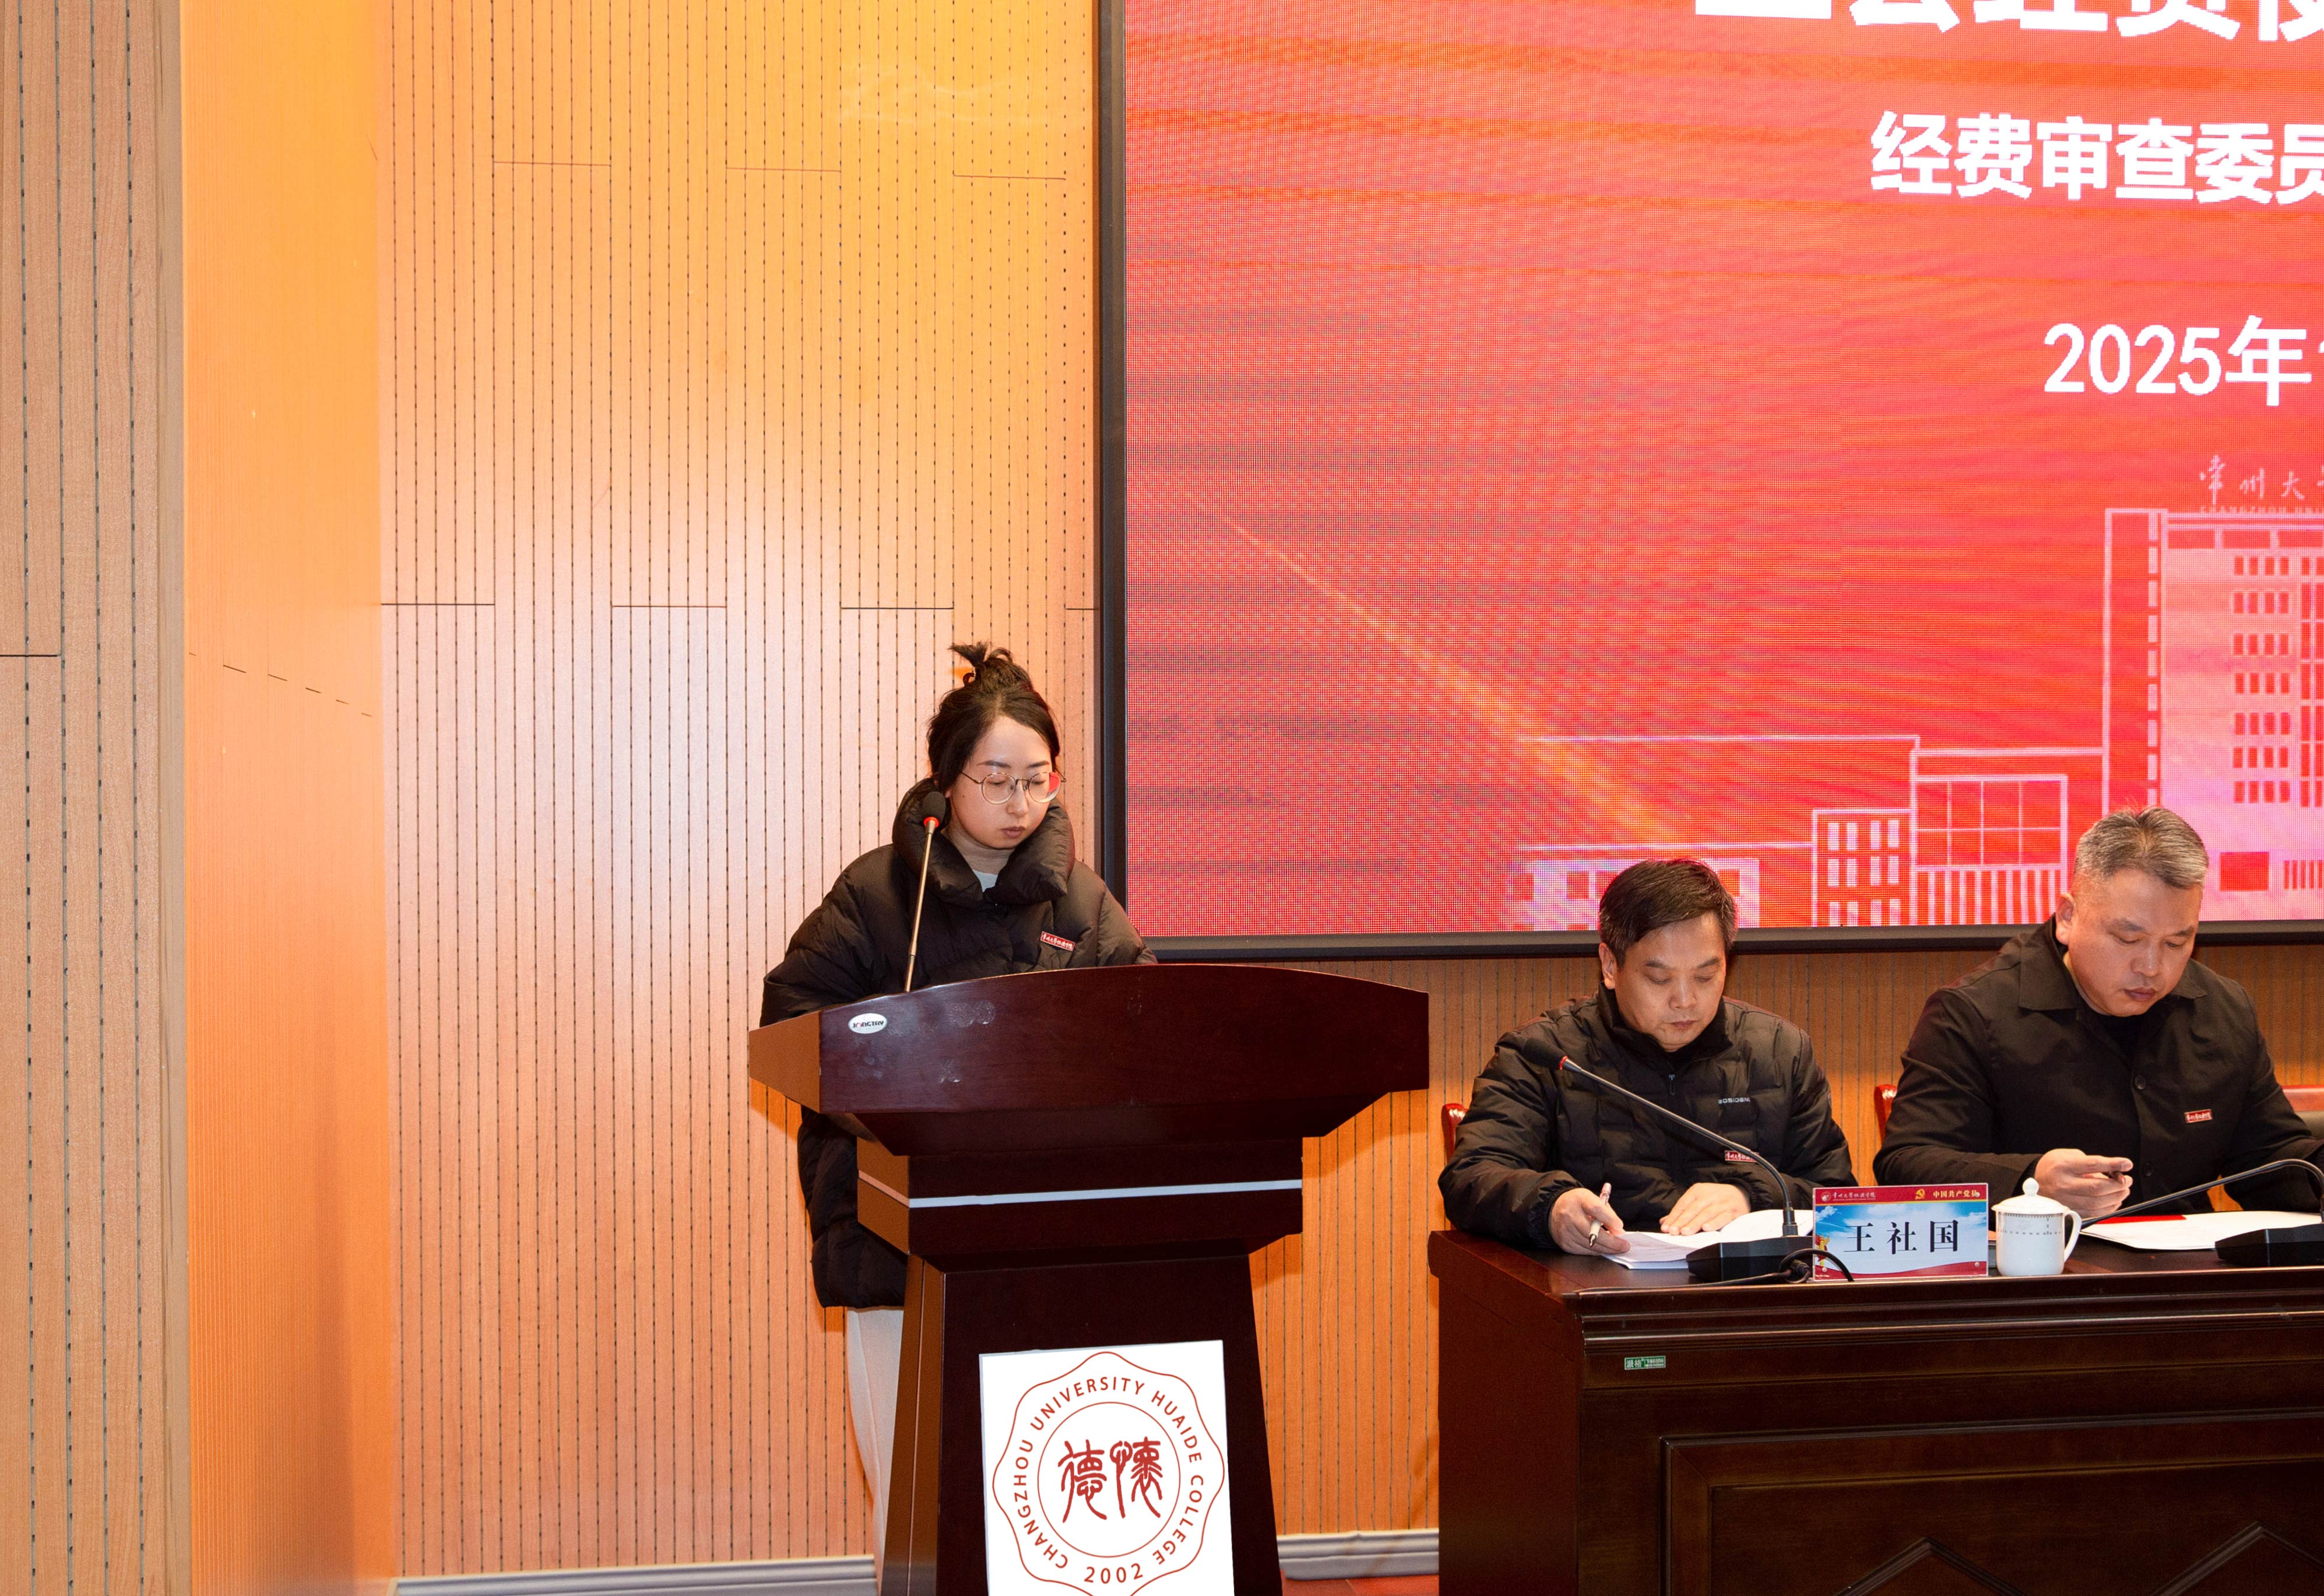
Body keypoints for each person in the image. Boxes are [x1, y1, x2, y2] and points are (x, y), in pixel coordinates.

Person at [759, 643, 1151, 1560]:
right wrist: (898, 1098)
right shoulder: (873, 896)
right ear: (945, 779)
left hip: (1045, 1237)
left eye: (1036, 780)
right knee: (916, 1490)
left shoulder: (1082, 902)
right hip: (893, 1231)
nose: (1019, 803)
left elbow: (1146, 1033)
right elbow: (792, 1026)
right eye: (996, 779)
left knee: (1040, 1492)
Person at [1876, 807, 2322, 1218]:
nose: (2152, 967)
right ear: (2067, 917)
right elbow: (1907, 1164)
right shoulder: (1972, 1014)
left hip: (2192, 1268)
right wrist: (2031, 1181)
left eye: (2176, 942)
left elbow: (2271, 1158)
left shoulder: (2222, 1010)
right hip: (2044, 1267)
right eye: (2128, 939)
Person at [1440, 859, 1855, 1256]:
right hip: (1593, 1288)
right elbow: (1471, 1177)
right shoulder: (1545, 1056)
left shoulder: (1780, 1052)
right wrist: (1551, 1208)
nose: (1685, 1000)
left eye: (1705, 976)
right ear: (1610, 965)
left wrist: (1751, 1196)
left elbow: (1839, 1196)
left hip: (1748, 1289)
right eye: (1659, 978)